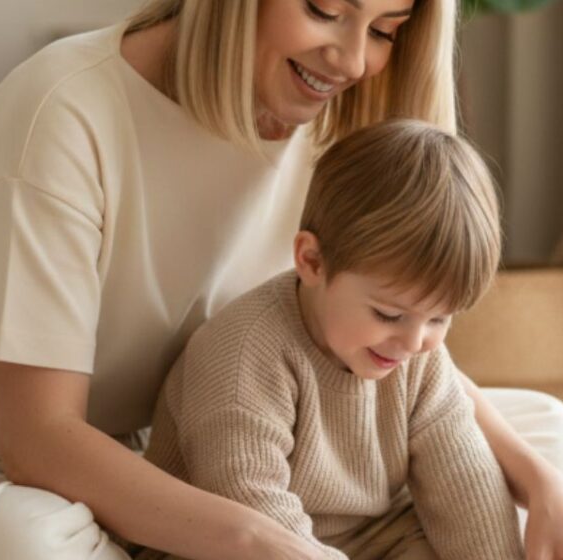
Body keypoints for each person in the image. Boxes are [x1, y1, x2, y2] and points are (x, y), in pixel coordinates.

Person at [0, 1, 563, 559]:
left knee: (541, 433)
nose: (352, 58)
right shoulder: (64, 111)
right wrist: (259, 541)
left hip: (183, 449)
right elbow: (37, 442)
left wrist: (545, 491)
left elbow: (413, 363)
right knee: (24, 547)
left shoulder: (327, 112)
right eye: (326, 10)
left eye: (386, 30)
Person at [139, 119, 524, 560]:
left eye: (440, 318)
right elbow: (251, 507)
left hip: (367, 536)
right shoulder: (244, 354)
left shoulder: (418, 355)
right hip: (233, 543)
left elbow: (464, 482)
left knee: (480, 503)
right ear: (312, 261)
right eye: (389, 314)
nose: (415, 342)